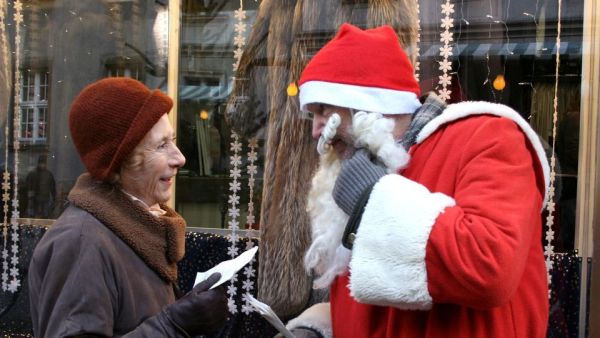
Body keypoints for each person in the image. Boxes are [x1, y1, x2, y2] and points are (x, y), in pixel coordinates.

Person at [284, 23, 550, 337]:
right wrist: (319, 327)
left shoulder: (486, 138)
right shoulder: (366, 165)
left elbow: (490, 268)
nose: (316, 131)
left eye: (322, 109)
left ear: (367, 103)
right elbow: (382, 304)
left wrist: (373, 198)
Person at [28, 77, 228, 337]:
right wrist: (173, 326)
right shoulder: (81, 242)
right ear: (123, 161)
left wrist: (183, 318)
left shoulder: (132, 227)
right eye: (161, 145)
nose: (180, 158)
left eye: (173, 140)